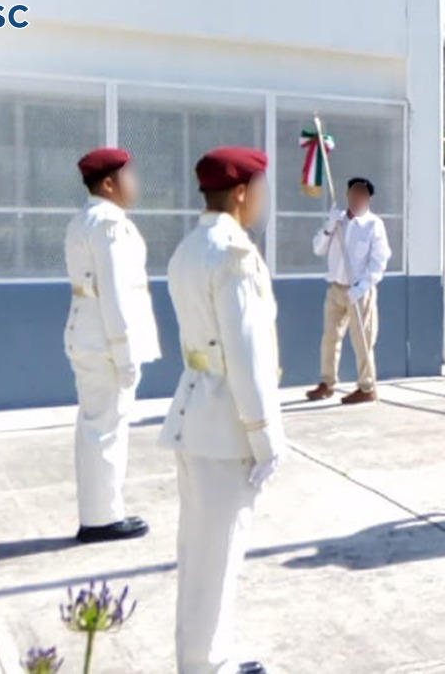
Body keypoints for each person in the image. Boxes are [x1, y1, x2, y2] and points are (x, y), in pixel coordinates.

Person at [161, 147, 283, 674]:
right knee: (219, 553)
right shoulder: (234, 254)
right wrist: (266, 436)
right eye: (259, 188)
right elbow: (246, 355)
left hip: (194, 412)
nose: (263, 199)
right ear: (240, 193)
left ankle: (205, 655)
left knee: (199, 553)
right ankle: (206, 663)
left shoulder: (189, 248)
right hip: (225, 425)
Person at [64, 147, 160, 544]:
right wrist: (125, 352)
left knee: (95, 427)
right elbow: (115, 293)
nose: (135, 182)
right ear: (108, 183)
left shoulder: (82, 221)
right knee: (107, 428)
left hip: (86, 333)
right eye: (128, 175)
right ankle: (103, 518)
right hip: (106, 341)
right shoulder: (109, 225)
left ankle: (100, 511)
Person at [305, 176, 392, 405]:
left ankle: (366, 387)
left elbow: (379, 261)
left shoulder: (374, 225)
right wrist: (329, 227)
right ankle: (327, 383)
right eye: (354, 193)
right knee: (330, 338)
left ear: (369, 198)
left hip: (359, 291)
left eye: (362, 194)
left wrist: (364, 285)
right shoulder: (338, 220)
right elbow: (318, 249)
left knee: (363, 340)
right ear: (347, 195)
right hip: (336, 287)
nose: (357, 198)